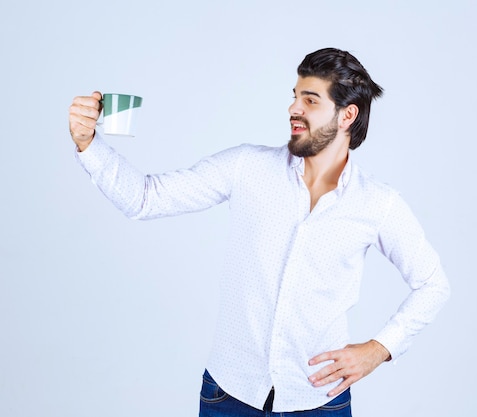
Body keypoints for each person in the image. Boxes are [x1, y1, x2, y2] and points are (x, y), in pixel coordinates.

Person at [68, 47, 450, 416]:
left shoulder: (377, 204)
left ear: (347, 115)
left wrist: (379, 349)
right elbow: (145, 199)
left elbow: (433, 284)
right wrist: (88, 143)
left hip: (319, 402)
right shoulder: (245, 167)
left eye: (310, 100)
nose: (293, 109)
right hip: (227, 396)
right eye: (295, 96)